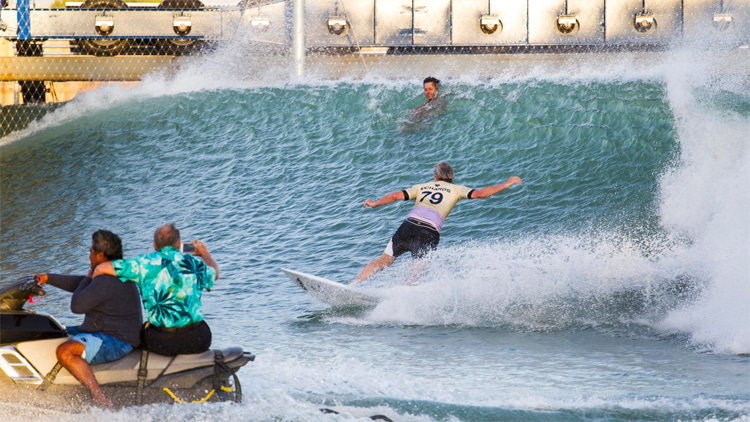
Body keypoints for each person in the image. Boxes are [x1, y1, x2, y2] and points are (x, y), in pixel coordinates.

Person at [352, 161, 522, 285]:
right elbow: (480, 194)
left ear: (435, 176)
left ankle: (354, 285)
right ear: (451, 178)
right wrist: (506, 184)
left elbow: (395, 195)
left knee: (383, 261)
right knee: (415, 273)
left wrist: (375, 203)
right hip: (428, 232)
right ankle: (397, 300)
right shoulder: (457, 189)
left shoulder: (422, 187)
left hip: (408, 226)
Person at [37, 230, 142, 406]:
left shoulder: (107, 278)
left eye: (91, 251)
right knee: (53, 332)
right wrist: (48, 278)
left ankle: (98, 396)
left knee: (65, 350)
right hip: (103, 330)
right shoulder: (113, 272)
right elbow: (82, 285)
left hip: (117, 340)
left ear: (101, 255)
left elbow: (77, 305)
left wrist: (87, 278)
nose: (89, 255)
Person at [93, 223, 219, 356]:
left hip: (162, 342)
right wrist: (204, 253)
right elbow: (215, 274)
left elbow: (102, 268)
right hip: (197, 340)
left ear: (154, 245)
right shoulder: (195, 263)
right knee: (202, 324)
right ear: (180, 243)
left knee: (143, 330)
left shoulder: (143, 264)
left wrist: (92, 285)